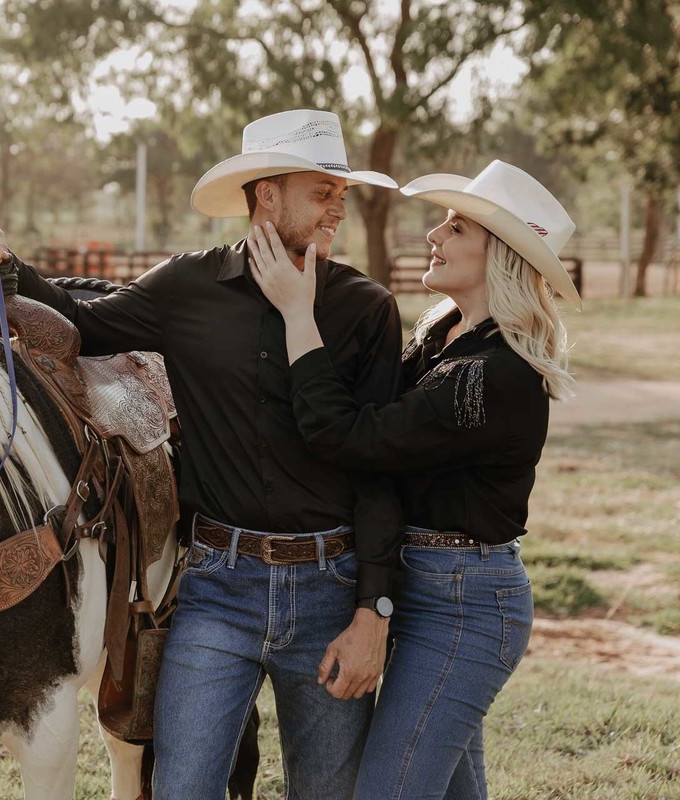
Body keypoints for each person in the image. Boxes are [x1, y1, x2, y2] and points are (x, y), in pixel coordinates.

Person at [0, 109, 406, 798]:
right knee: (180, 789)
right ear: (267, 194)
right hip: (217, 590)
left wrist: (372, 612)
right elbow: (83, 326)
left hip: (329, 587)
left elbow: (380, 470)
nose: (337, 208)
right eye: (323, 191)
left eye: (341, 194)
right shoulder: (187, 285)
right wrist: (2, 265)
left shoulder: (366, 309)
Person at [246, 159, 580, 799]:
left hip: (467, 604)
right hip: (428, 590)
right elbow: (365, 413)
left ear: (501, 257)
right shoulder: (440, 337)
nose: (434, 237)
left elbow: (352, 438)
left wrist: (298, 314)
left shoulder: (492, 373)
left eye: (456, 228)